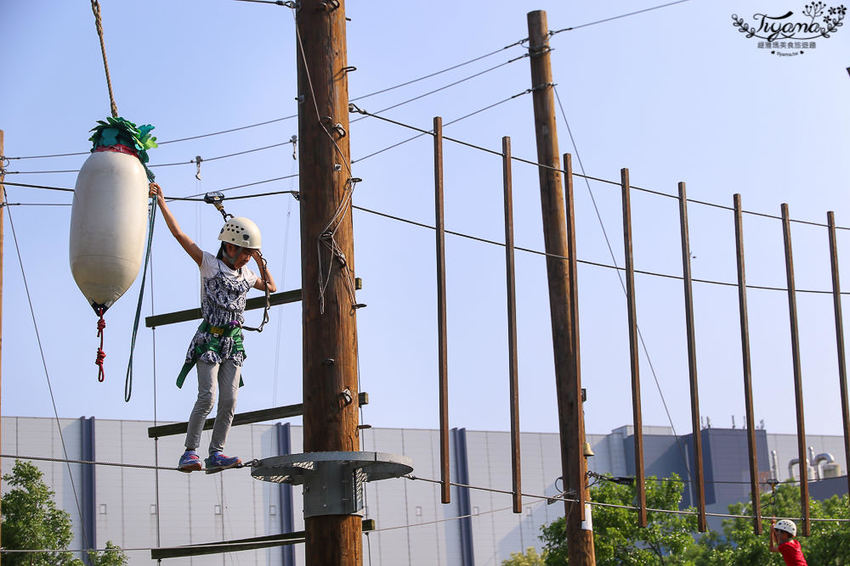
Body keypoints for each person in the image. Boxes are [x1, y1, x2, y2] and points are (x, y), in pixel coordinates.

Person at [149, 183, 277, 473]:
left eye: (249, 253)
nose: (246, 257)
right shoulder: (208, 264)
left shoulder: (246, 272)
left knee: (230, 400)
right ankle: (189, 451)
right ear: (229, 247)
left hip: (232, 344)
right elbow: (180, 236)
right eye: (244, 252)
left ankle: (215, 453)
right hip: (209, 341)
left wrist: (258, 259)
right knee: (207, 396)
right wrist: (162, 203)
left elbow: (271, 286)